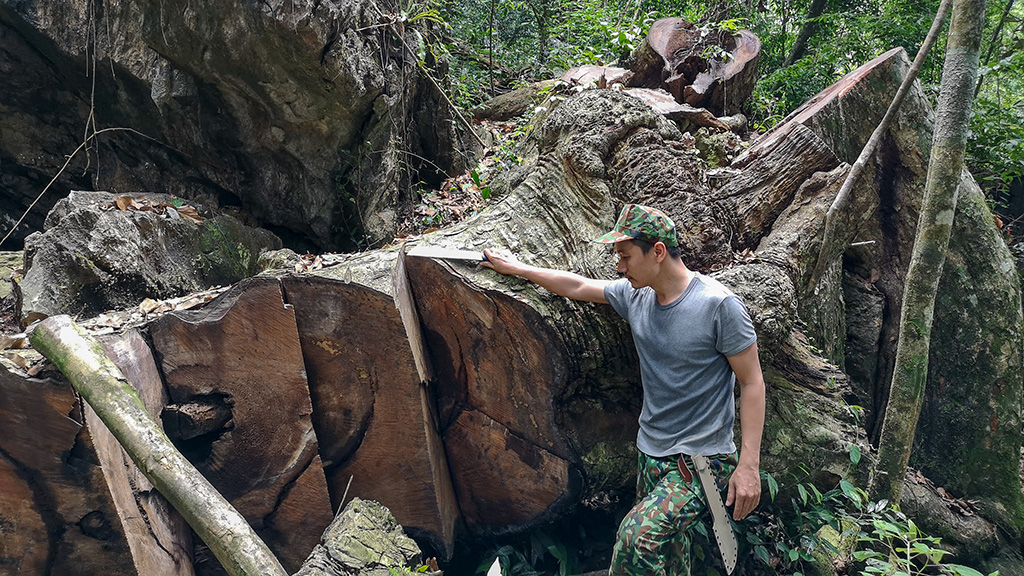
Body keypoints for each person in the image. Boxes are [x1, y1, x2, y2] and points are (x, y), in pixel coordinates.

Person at [482, 203, 765, 576]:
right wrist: (518, 268)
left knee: (637, 538)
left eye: (626, 256)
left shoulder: (718, 306)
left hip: (701, 463)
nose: (619, 267)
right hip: (650, 455)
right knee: (669, 559)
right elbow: (578, 285)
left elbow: (752, 382)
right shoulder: (637, 297)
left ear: (658, 252)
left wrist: (749, 466)